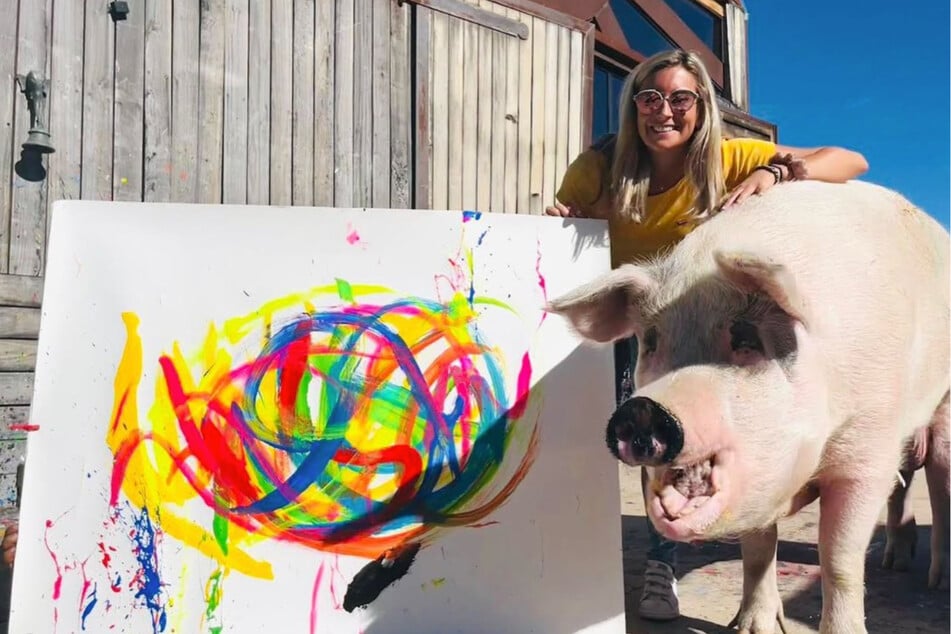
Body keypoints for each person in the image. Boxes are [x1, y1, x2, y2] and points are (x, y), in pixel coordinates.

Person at [547, 48, 868, 622]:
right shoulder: (599, 167)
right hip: (630, 318)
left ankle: (661, 565)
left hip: (701, 330)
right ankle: (567, 557)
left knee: (671, 443)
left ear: (701, 109)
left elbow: (849, 162)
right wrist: (554, 225)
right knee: (613, 443)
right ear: (633, 107)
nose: (663, 111)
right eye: (649, 97)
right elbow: (563, 236)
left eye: (680, 98)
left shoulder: (729, 157)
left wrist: (778, 171)